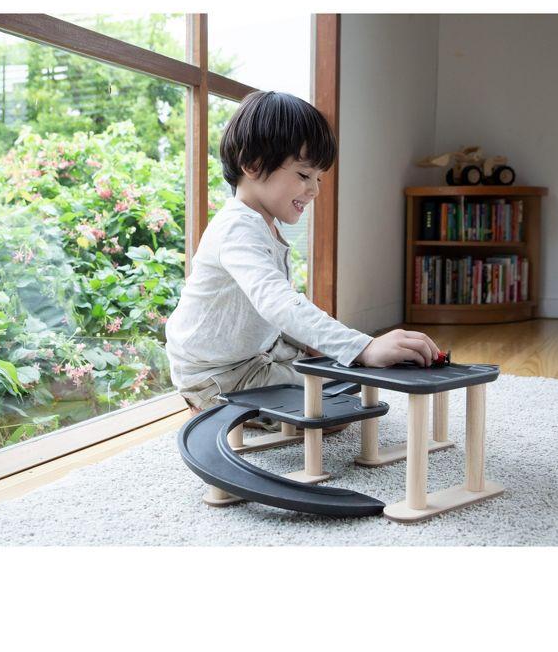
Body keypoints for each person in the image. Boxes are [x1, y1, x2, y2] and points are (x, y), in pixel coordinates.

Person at [165, 90, 442, 421]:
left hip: (258, 354)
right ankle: (211, 405)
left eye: (318, 178)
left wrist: (333, 348)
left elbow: (275, 315)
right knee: (333, 409)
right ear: (252, 165)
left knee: (344, 375)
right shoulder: (237, 228)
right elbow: (279, 303)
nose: (315, 190)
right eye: (303, 175)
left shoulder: (263, 225)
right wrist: (364, 347)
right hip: (219, 375)